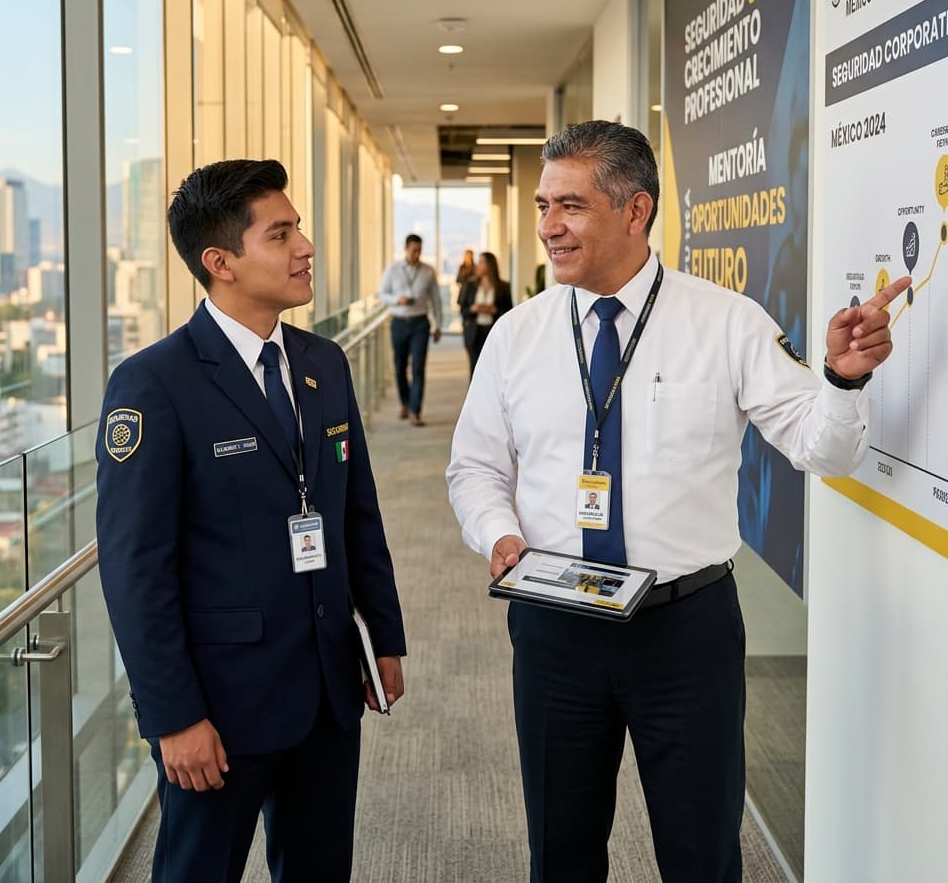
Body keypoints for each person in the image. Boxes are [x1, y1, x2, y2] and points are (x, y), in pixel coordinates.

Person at [446, 120, 909, 883]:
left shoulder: (725, 322)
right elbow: (475, 469)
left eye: (571, 205)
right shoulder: (516, 336)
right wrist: (498, 535)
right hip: (554, 621)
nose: (548, 227)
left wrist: (843, 379)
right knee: (560, 849)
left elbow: (824, 449)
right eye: (541, 205)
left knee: (700, 851)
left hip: (683, 631)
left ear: (636, 211)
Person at [96, 159, 406, 883]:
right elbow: (135, 568)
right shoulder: (153, 384)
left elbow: (356, 512)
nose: (305, 247)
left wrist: (381, 636)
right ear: (221, 262)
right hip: (220, 707)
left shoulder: (323, 364)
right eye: (282, 233)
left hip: (329, 690)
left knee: (322, 868)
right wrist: (173, 718)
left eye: (297, 228)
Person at [378, 233, 442, 425]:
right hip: (398, 322)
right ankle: (405, 403)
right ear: (406, 249)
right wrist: (398, 300)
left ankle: (415, 411)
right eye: (413, 250)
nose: (416, 254)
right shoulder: (393, 270)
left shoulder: (428, 271)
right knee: (399, 366)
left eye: (419, 251)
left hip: (420, 323)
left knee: (418, 368)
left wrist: (438, 324)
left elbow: (436, 300)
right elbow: (382, 294)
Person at [458, 251, 513, 377]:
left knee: (493, 369)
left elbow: (509, 311)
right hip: (473, 332)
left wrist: (495, 311)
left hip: (493, 331)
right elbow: (463, 310)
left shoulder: (503, 287)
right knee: (475, 368)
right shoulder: (470, 285)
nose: (478, 265)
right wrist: (474, 308)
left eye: (482, 262)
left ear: (490, 265)